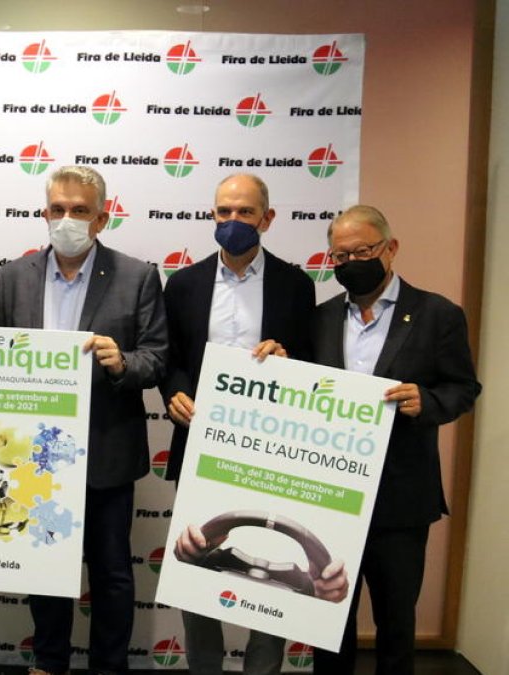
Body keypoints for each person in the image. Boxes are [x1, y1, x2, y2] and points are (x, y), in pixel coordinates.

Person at [162, 173, 346, 674]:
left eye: (245, 212)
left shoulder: (295, 284)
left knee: (273, 582)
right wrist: (173, 393)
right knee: (199, 569)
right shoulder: (183, 284)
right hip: (200, 445)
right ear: (212, 215)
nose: (233, 221)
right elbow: (170, 358)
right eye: (224, 211)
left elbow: (312, 364)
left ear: (267, 218)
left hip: (271, 452)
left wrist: (288, 359)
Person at [0, 166, 168, 675]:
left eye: (79, 210)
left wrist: (122, 362)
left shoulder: (137, 275)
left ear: (101, 218)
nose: (66, 219)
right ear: (44, 213)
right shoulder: (13, 276)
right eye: (58, 209)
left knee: (111, 573)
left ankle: (109, 666)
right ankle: (49, 661)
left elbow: (156, 358)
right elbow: (0, 357)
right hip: (36, 454)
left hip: (106, 450)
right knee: (44, 568)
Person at [310, 205, 480, 675]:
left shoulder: (437, 314)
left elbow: (463, 388)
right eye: (341, 256)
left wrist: (428, 401)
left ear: (391, 248)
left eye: (363, 251)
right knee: (327, 623)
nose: (351, 263)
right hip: (331, 496)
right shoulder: (320, 318)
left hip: (402, 498)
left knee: (396, 624)